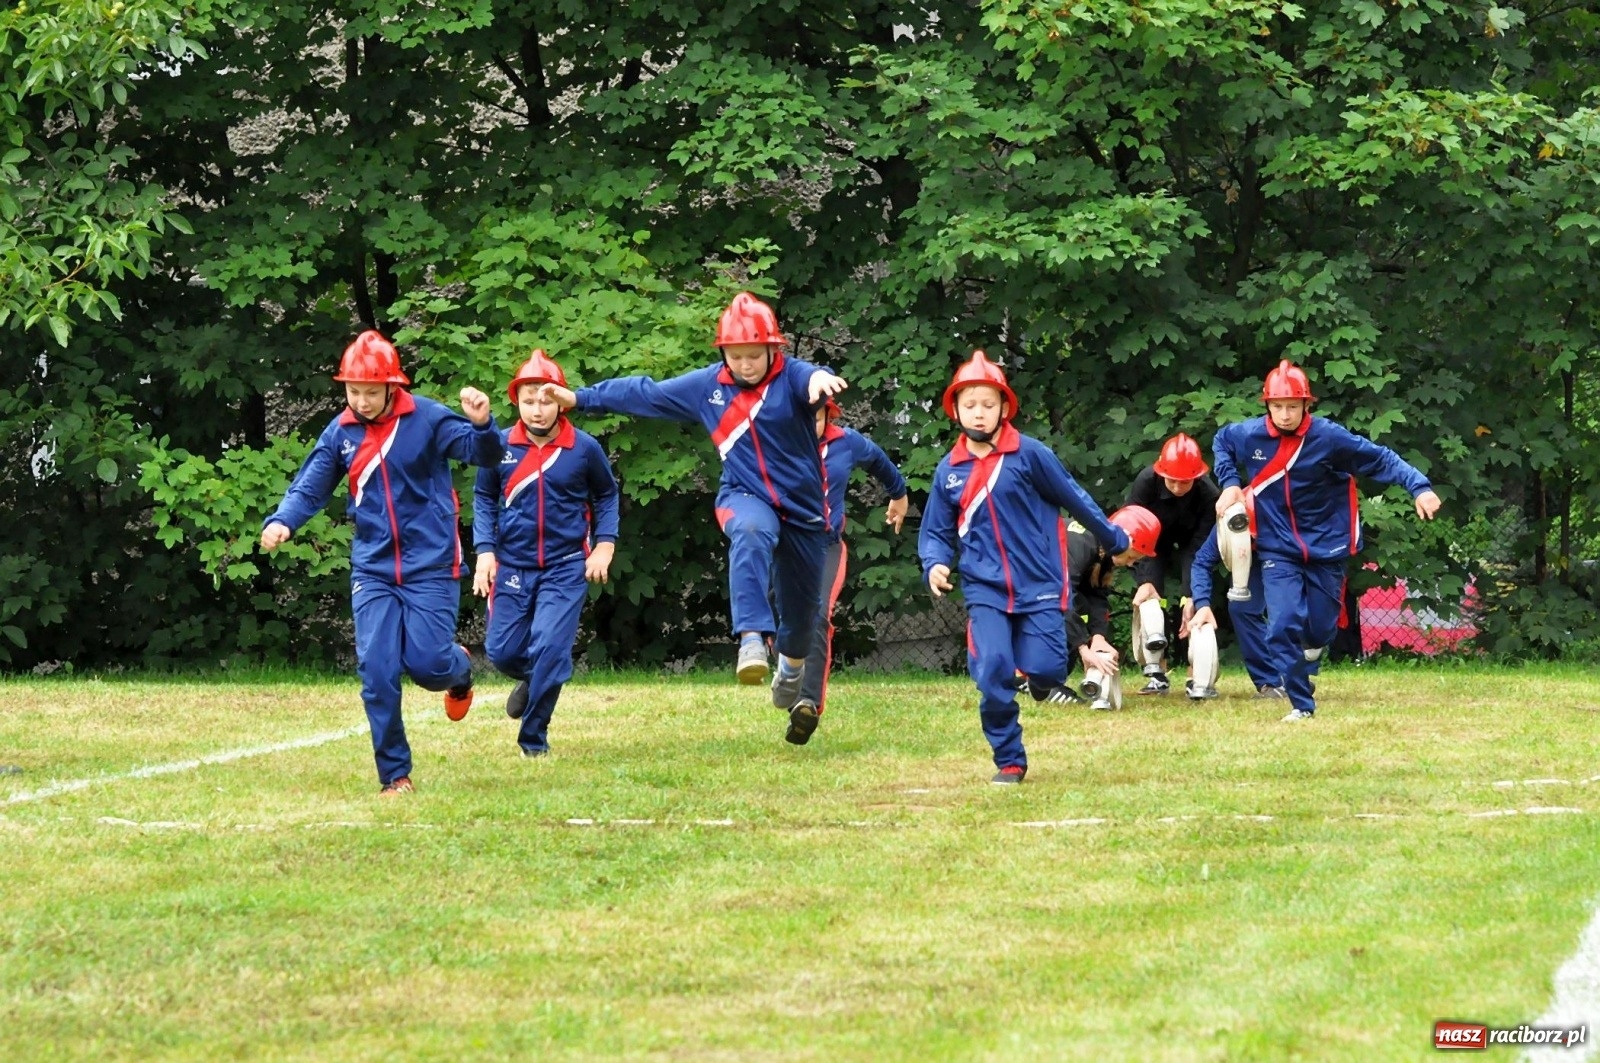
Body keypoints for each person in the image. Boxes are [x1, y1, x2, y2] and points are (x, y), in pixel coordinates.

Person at [540, 292, 846, 713]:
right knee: (751, 531)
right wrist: (582, 398)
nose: (744, 365)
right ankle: (751, 640)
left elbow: (809, 377)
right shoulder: (707, 387)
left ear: (773, 350)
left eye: (754, 356)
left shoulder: (792, 377)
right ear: (723, 353)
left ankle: (790, 668)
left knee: (802, 620)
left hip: (805, 511)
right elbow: (645, 393)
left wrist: (818, 379)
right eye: (735, 356)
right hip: (744, 495)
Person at [261, 330, 503, 794]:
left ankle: (458, 668)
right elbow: (310, 486)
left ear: (394, 386)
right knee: (376, 671)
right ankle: (395, 776)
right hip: (372, 568)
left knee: (429, 665)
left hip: (430, 564)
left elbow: (485, 456)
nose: (362, 401)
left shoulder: (428, 418)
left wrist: (483, 424)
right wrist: (284, 521)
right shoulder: (341, 432)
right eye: (353, 391)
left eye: (371, 391)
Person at [918, 350, 1141, 785]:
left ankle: (1039, 679)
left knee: (1047, 670)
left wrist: (1113, 536)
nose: (979, 414)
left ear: (1004, 407)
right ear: (955, 410)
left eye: (987, 404)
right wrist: (935, 563)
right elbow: (935, 531)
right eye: (969, 405)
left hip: (1040, 582)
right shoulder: (949, 470)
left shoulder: (1030, 455)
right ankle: (1010, 760)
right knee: (995, 670)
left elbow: (1075, 498)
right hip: (985, 588)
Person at [1211, 360, 1441, 721]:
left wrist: (1420, 487)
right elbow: (1220, 440)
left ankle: (1310, 655)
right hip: (1277, 547)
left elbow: (1380, 458)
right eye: (1277, 406)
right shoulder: (1248, 435)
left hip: (1327, 545)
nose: (1284, 415)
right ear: (1267, 405)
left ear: (1307, 405)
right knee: (1283, 622)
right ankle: (1302, 705)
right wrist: (1229, 483)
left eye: (1292, 406)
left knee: (1319, 629)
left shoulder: (1329, 437)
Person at [472, 350, 620, 758]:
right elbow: (484, 497)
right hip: (512, 565)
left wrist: (604, 546)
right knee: (502, 653)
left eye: (546, 400)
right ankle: (540, 677)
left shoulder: (584, 448)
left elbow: (606, 495)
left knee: (550, 649)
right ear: (516, 401)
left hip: (567, 564)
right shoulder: (498, 446)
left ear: (561, 401)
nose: (538, 410)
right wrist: (485, 552)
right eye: (529, 400)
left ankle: (533, 741)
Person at [785, 400, 909, 745]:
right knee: (783, 617)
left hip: (826, 547)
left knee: (818, 613)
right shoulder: (773, 441)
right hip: (780, 547)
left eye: (817, 420)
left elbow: (880, 462)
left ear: (829, 417)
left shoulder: (847, 442)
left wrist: (899, 495)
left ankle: (807, 703)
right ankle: (787, 669)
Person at [1123, 433, 1221, 695]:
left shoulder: (1209, 494)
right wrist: (1145, 582)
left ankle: (1196, 674)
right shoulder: (1145, 482)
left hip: (1194, 543)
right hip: (1151, 542)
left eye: (1185, 482)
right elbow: (1131, 526)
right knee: (1151, 595)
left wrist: (1192, 594)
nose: (1178, 488)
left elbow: (1201, 548)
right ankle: (1157, 672)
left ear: (1196, 477)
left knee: (1196, 600)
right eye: (1172, 481)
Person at [1063, 506, 1162, 709]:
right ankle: (1033, 680)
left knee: (1069, 645)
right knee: (1057, 635)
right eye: (1130, 556)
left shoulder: (1103, 552)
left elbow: (1097, 596)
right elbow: (1061, 599)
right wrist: (1083, 647)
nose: (1129, 564)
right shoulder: (1080, 545)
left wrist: (1098, 637)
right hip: (1016, 589)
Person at [1185, 524, 1282, 698]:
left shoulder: (1278, 513)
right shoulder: (1228, 523)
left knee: (1286, 611)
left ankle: (1296, 673)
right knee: (1241, 608)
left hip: (1290, 553)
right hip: (1252, 562)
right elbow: (1201, 562)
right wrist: (1202, 604)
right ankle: (1270, 683)